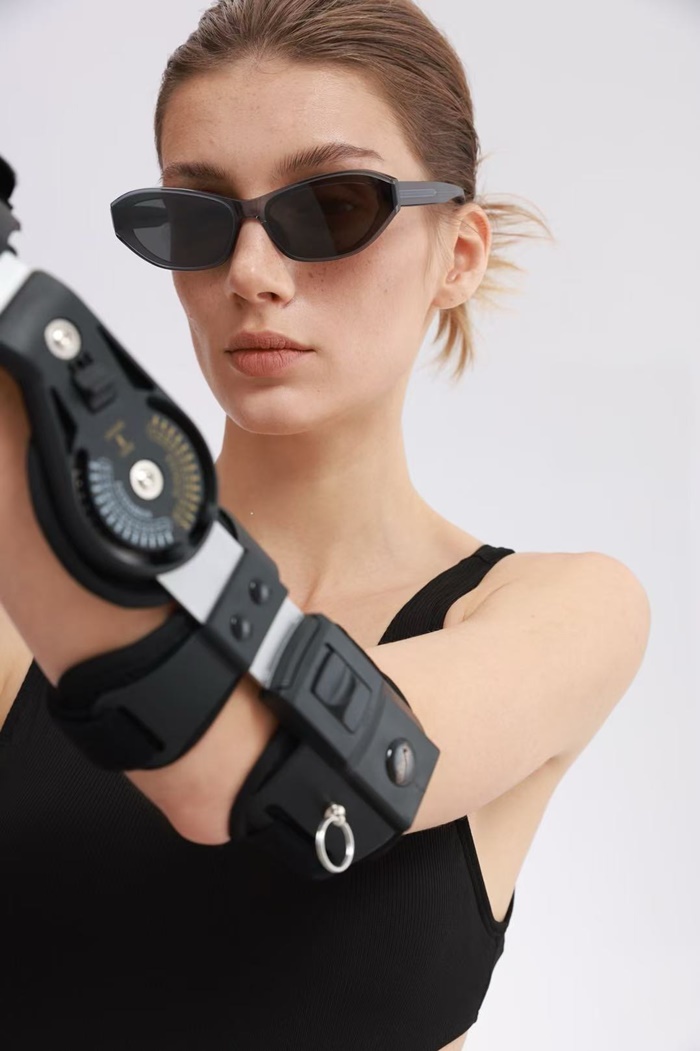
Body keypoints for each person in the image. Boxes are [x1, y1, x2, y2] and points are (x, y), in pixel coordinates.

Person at [0, 1, 651, 1048]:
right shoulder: (15, 618)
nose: (251, 274)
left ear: (459, 252)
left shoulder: (566, 611)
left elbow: (268, 769)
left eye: (334, 206)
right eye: (198, 218)